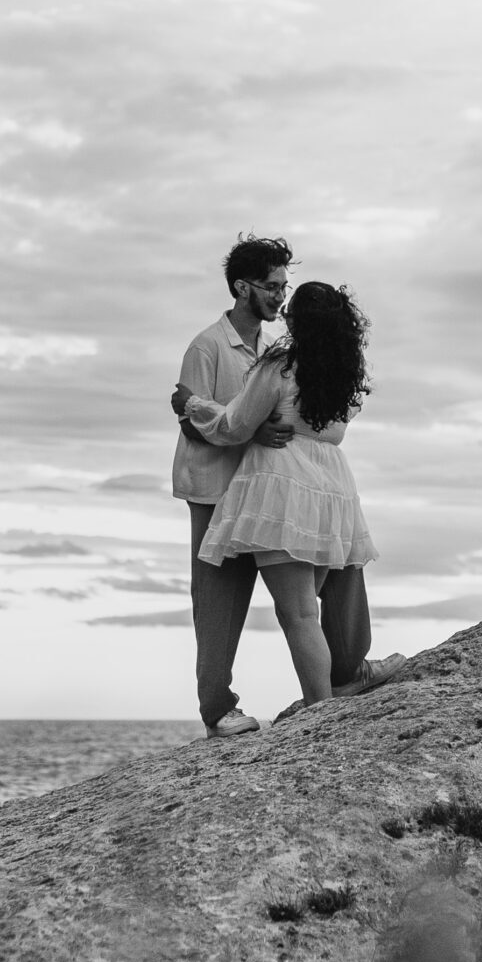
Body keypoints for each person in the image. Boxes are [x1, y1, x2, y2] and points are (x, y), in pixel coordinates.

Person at [173, 237, 381, 736]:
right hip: (225, 485)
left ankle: (337, 686)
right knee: (220, 605)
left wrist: (194, 405)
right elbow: (200, 430)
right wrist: (200, 412)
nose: (279, 299)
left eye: (285, 289)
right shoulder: (207, 346)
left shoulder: (275, 354)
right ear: (242, 288)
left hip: (276, 487)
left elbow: (245, 418)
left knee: (310, 605)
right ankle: (219, 707)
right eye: (271, 287)